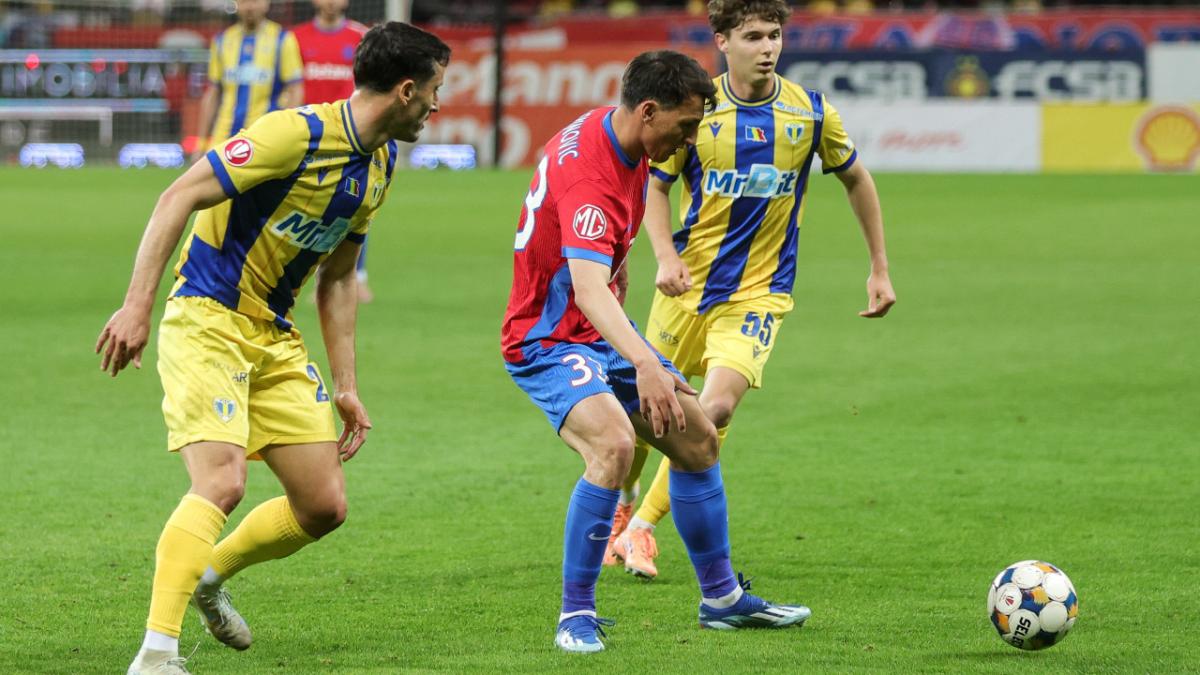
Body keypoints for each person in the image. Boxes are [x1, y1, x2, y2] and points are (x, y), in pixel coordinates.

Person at [96, 22, 449, 675]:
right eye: (434, 90)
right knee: (222, 480)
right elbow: (178, 195)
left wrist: (346, 384)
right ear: (407, 90)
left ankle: (208, 574)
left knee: (323, 505)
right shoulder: (293, 135)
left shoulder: (380, 165)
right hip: (207, 315)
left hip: (273, 334)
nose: (437, 104)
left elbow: (339, 278)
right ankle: (156, 654)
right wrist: (137, 305)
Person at [500, 49, 810, 655]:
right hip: (546, 339)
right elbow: (588, 288)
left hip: (595, 333)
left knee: (697, 438)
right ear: (648, 110)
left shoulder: (621, 137)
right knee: (614, 446)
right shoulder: (592, 181)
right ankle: (575, 615)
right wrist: (645, 362)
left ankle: (722, 601)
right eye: (686, 125)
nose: (690, 139)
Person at [605, 0, 896, 580]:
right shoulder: (696, 110)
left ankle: (642, 529)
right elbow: (656, 187)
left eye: (775, 35)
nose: (768, 48)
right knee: (645, 414)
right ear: (722, 41)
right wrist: (664, 256)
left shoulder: (811, 113)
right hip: (686, 288)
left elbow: (856, 179)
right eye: (754, 36)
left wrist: (879, 267)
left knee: (714, 409)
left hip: (760, 293)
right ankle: (623, 504)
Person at [292, 0, 374, 302]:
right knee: (304, 207)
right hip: (307, 135)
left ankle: (357, 276)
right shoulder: (295, 39)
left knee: (356, 204)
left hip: (349, 135)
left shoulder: (361, 37)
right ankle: (304, 278)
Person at [191, 0, 303, 163]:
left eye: (255, 1)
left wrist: (288, 134)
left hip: (266, 136)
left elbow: (295, 89)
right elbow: (213, 93)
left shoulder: (283, 39)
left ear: (266, 4)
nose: (250, 7)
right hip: (224, 135)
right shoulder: (222, 40)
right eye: (244, 2)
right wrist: (201, 143)